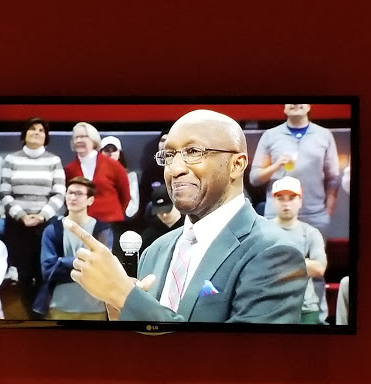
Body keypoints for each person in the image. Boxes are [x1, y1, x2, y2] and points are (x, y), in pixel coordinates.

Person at [65, 109, 308, 323]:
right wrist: (124, 316)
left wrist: (124, 294)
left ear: (236, 164)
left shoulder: (274, 252)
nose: (175, 168)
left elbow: (244, 363)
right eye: (169, 156)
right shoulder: (155, 250)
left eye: (193, 151)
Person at [0, 117, 66, 317]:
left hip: (44, 224)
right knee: (24, 274)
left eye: (40, 130)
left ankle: (42, 311)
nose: (36, 132)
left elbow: (59, 194)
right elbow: (5, 193)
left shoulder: (53, 161)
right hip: (18, 224)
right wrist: (22, 216)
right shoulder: (11, 160)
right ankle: (30, 314)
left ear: (45, 137)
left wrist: (41, 216)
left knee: (44, 271)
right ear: (24, 135)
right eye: (32, 129)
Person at [249, 104, 340, 239]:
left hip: (315, 216)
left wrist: (328, 211)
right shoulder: (270, 135)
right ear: (284, 108)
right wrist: (276, 165)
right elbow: (254, 178)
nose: (296, 104)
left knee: (315, 259)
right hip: (277, 216)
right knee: (277, 260)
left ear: (309, 107)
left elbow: (333, 178)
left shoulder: (324, 135)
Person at [33, 177, 113, 320]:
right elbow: (48, 269)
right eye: (69, 193)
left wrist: (63, 262)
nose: (72, 197)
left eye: (79, 194)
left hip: (95, 306)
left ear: (90, 200)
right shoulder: (52, 230)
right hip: (59, 305)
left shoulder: (102, 230)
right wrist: (82, 263)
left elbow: (102, 267)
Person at [271, 176, 328, 324]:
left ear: (300, 201)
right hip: (270, 307)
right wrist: (303, 263)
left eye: (291, 198)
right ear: (273, 201)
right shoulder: (261, 231)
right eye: (280, 198)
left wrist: (276, 262)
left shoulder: (311, 233)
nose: (286, 203)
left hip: (305, 309)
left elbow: (319, 268)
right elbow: (256, 267)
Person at [64, 122, 130, 223]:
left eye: (83, 136)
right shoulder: (69, 169)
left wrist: (114, 213)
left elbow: (125, 195)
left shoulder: (113, 165)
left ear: (94, 140)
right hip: (81, 224)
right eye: (76, 137)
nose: (79, 140)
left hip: (111, 222)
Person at [100, 135, 140, 219]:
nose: (110, 154)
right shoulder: (94, 175)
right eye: (106, 150)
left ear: (119, 153)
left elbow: (133, 204)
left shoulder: (130, 176)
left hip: (122, 217)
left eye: (114, 150)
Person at [140, 184, 185, 252]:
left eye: (167, 211)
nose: (164, 215)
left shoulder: (188, 229)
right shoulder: (149, 235)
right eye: (160, 212)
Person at [139, 128, 169, 217]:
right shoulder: (150, 172)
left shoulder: (181, 168)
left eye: (168, 140)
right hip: (155, 213)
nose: (164, 144)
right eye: (162, 140)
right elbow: (144, 199)